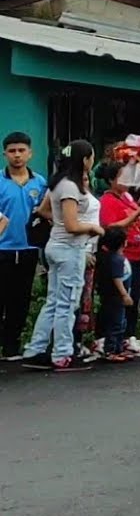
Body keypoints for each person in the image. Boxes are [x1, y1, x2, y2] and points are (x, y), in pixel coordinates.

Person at [22, 140, 102, 372]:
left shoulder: (58, 183)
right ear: (85, 159)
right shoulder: (70, 187)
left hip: (55, 246)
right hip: (69, 249)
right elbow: (71, 225)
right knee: (67, 303)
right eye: (91, 157)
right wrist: (93, 228)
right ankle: (62, 354)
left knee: (54, 301)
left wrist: (58, 221)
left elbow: (44, 210)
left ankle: (36, 349)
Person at [96, 160, 140, 357]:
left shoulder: (127, 196)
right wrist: (137, 214)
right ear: (111, 180)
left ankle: (128, 336)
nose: (128, 181)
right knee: (117, 299)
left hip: (138, 254)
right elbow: (111, 226)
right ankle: (109, 339)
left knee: (134, 297)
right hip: (121, 256)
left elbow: (136, 216)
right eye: (123, 177)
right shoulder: (107, 201)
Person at [0, 131, 48, 361]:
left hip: (29, 249)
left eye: (21, 150)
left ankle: (12, 347)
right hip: (3, 250)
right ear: (4, 154)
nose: (17, 155)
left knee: (20, 300)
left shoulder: (40, 183)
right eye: (12, 151)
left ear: (30, 153)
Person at [94, 227, 131, 363]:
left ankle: (118, 347)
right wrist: (124, 294)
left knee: (121, 322)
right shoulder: (116, 260)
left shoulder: (115, 258)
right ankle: (110, 349)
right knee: (115, 324)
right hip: (116, 297)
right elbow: (117, 278)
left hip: (115, 297)